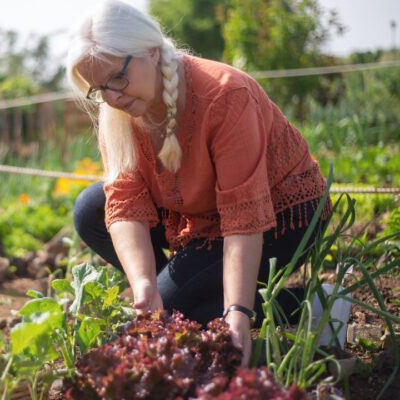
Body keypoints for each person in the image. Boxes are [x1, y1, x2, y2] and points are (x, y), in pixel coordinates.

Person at [66, 0, 330, 366]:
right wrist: (144, 285)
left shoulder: (225, 94)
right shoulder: (119, 112)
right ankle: (181, 296)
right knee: (90, 210)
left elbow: (243, 218)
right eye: (98, 89)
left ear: (152, 53)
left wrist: (237, 312)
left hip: (281, 212)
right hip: (201, 214)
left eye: (117, 78)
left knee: (176, 310)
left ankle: (315, 304)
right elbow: (125, 201)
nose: (111, 97)